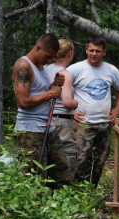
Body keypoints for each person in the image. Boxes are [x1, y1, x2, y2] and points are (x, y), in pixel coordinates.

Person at [12, 33, 74, 188]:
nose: (50, 61)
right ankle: (34, 211)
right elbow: (23, 102)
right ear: (38, 48)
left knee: (62, 175)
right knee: (33, 180)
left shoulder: (42, 67)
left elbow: (39, 90)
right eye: (48, 56)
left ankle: (60, 209)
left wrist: (54, 85)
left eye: (53, 58)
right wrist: (50, 93)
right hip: (30, 132)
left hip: (48, 128)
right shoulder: (23, 66)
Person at [67, 35, 119, 186]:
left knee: (100, 160)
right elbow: (59, 89)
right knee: (80, 159)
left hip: (104, 123)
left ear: (104, 52)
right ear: (86, 50)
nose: (94, 54)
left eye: (98, 51)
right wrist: (70, 111)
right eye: (91, 50)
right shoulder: (75, 69)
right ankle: (73, 190)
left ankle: (90, 189)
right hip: (83, 124)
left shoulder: (111, 70)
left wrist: (117, 108)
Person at [45, 38, 78, 179]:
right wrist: (76, 103)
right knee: (67, 153)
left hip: (48, 118)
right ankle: (64, 186)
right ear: (69, 53)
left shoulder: (45, 69)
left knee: (49, 154)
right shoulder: (65, 73)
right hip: (63, 121)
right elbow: (67, 102)